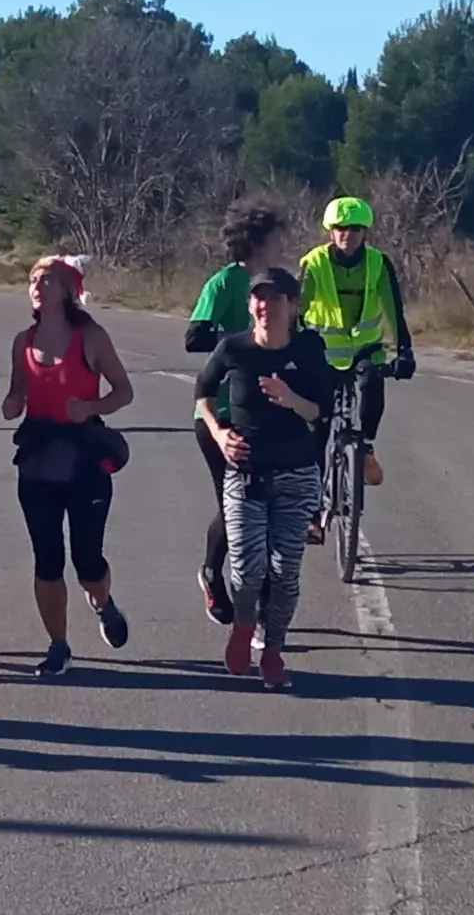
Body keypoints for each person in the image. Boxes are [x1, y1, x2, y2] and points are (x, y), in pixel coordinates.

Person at [193, 268, 332, 690]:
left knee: (285, 571)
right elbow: (201, 393)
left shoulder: (309, 349)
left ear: (292, 306)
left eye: (273, 299)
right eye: (258, 299)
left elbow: (319, 411)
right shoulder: (233, 347)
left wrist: (290, 399)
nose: (263, 307)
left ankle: (273, 651)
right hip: (245, 474)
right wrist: (219, 434)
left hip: (295, 474)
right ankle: (242, 625)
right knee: (247, 567)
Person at [1, 255, 135, 677]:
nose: (38, 285)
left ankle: (103, 601)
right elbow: (16, 395)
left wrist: (91, 407)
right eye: (33, 279)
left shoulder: (90, 337)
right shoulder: (23, 341)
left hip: (84, 459)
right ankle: (58, 645)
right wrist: (12, 404)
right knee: (47, 559)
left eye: (47, 279)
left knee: (88, 560)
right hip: (38, 459)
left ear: (66, 290)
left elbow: (124, 391)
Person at [184, 199, 289, 628]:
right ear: (257, 242)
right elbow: (194, 337)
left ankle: (260, 602)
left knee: (262, 507)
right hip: (221, 414)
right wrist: (242, 339)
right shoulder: (226, 282)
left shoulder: (280, 285)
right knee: (237, 506)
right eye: (277, 239)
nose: (283, 245)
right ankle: (212, 573)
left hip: (266, 414)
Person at [301, 197, 417, 540]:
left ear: (364, 232)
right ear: (330, 231)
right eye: (340, 229)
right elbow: (296, 309)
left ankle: (364, 447)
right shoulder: (314, 263)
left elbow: (394, 309)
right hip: (323, 353)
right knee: (316, 431)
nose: (347, 236)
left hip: (365, 348)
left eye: (354, 229)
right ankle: (311, 512)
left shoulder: (378, 263)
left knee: (372, 382)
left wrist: (405, 350)